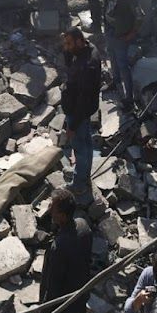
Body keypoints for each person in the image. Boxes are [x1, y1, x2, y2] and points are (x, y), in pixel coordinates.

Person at [38, 188, 93, 313]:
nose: (49, 211)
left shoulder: (59, 247)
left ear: (62, 215)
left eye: (52, 208)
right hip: (78, 302)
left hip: (61, 310)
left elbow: (53, 287)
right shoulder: (84, 227)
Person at [61, 28, 101, 197]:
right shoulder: (87, 48)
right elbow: (70, 65)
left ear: (79, 41)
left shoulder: (88, 65)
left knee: (80, 147)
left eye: (69, 43)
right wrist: (67, 51)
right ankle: (84, 175)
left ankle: (79, 184)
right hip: (82, 107)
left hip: (79, 110)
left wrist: (72, 126)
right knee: (86, 142)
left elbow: (83, 100)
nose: (67, 47)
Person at [101, 0, 140, 109]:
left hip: (121, 34)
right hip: (110, 29)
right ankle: (115, 82)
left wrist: (131, 33)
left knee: (123, 64)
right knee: (112, 57)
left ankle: (129, 97)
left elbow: (139, 16)